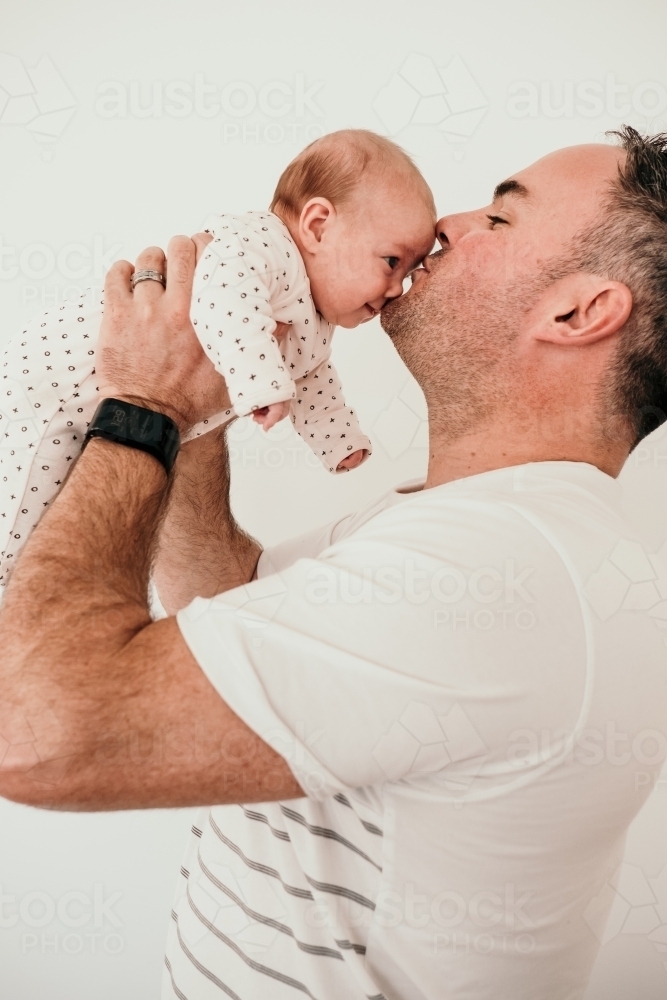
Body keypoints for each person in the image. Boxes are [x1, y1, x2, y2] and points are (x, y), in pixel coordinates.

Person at [1, 125, 666, 1000]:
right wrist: (195, 411)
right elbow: (226, 603)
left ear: (577, 312)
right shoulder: (489, 537)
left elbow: (34, 733)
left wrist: (143, 405)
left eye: (498, 219)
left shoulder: (492, 574)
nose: (448, 225)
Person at [0, 129, 436, 589]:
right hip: (58, 383)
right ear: (318, 225)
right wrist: (260, 382)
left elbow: (315, 381)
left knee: (69, 537)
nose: (396, 289)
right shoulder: (261, 245)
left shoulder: (313, 319)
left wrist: (338, 440)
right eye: (391, 262)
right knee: (22, 521)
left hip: (110, 407)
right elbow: (224, 301)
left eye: (409, 272)